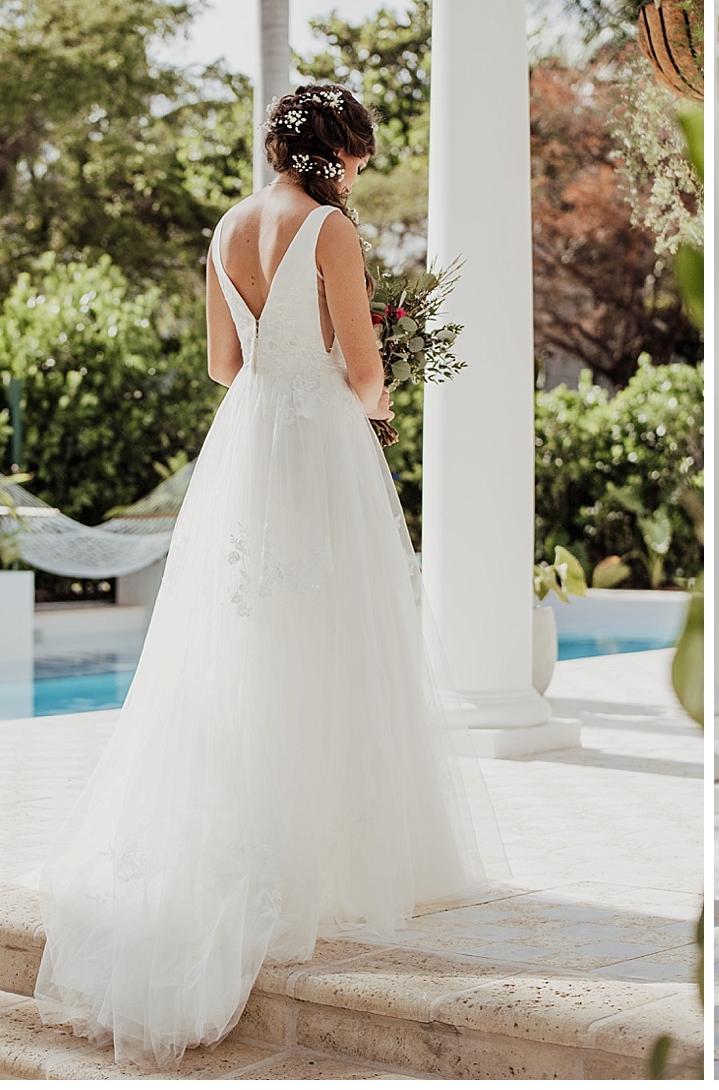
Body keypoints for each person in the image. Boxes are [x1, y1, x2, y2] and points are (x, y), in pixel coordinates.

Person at [34, 85, 496, 1069]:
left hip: (245, 443)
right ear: (336, 155)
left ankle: (252, 846)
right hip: (316, 443)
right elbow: (365, 370)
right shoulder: (328, 229)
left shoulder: (228, 225)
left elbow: (218, 362)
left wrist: (283, 365)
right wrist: (370, 391)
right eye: (363, 154)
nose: (365, 170)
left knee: (242, 641)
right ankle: (329, 862)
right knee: (336, 638)